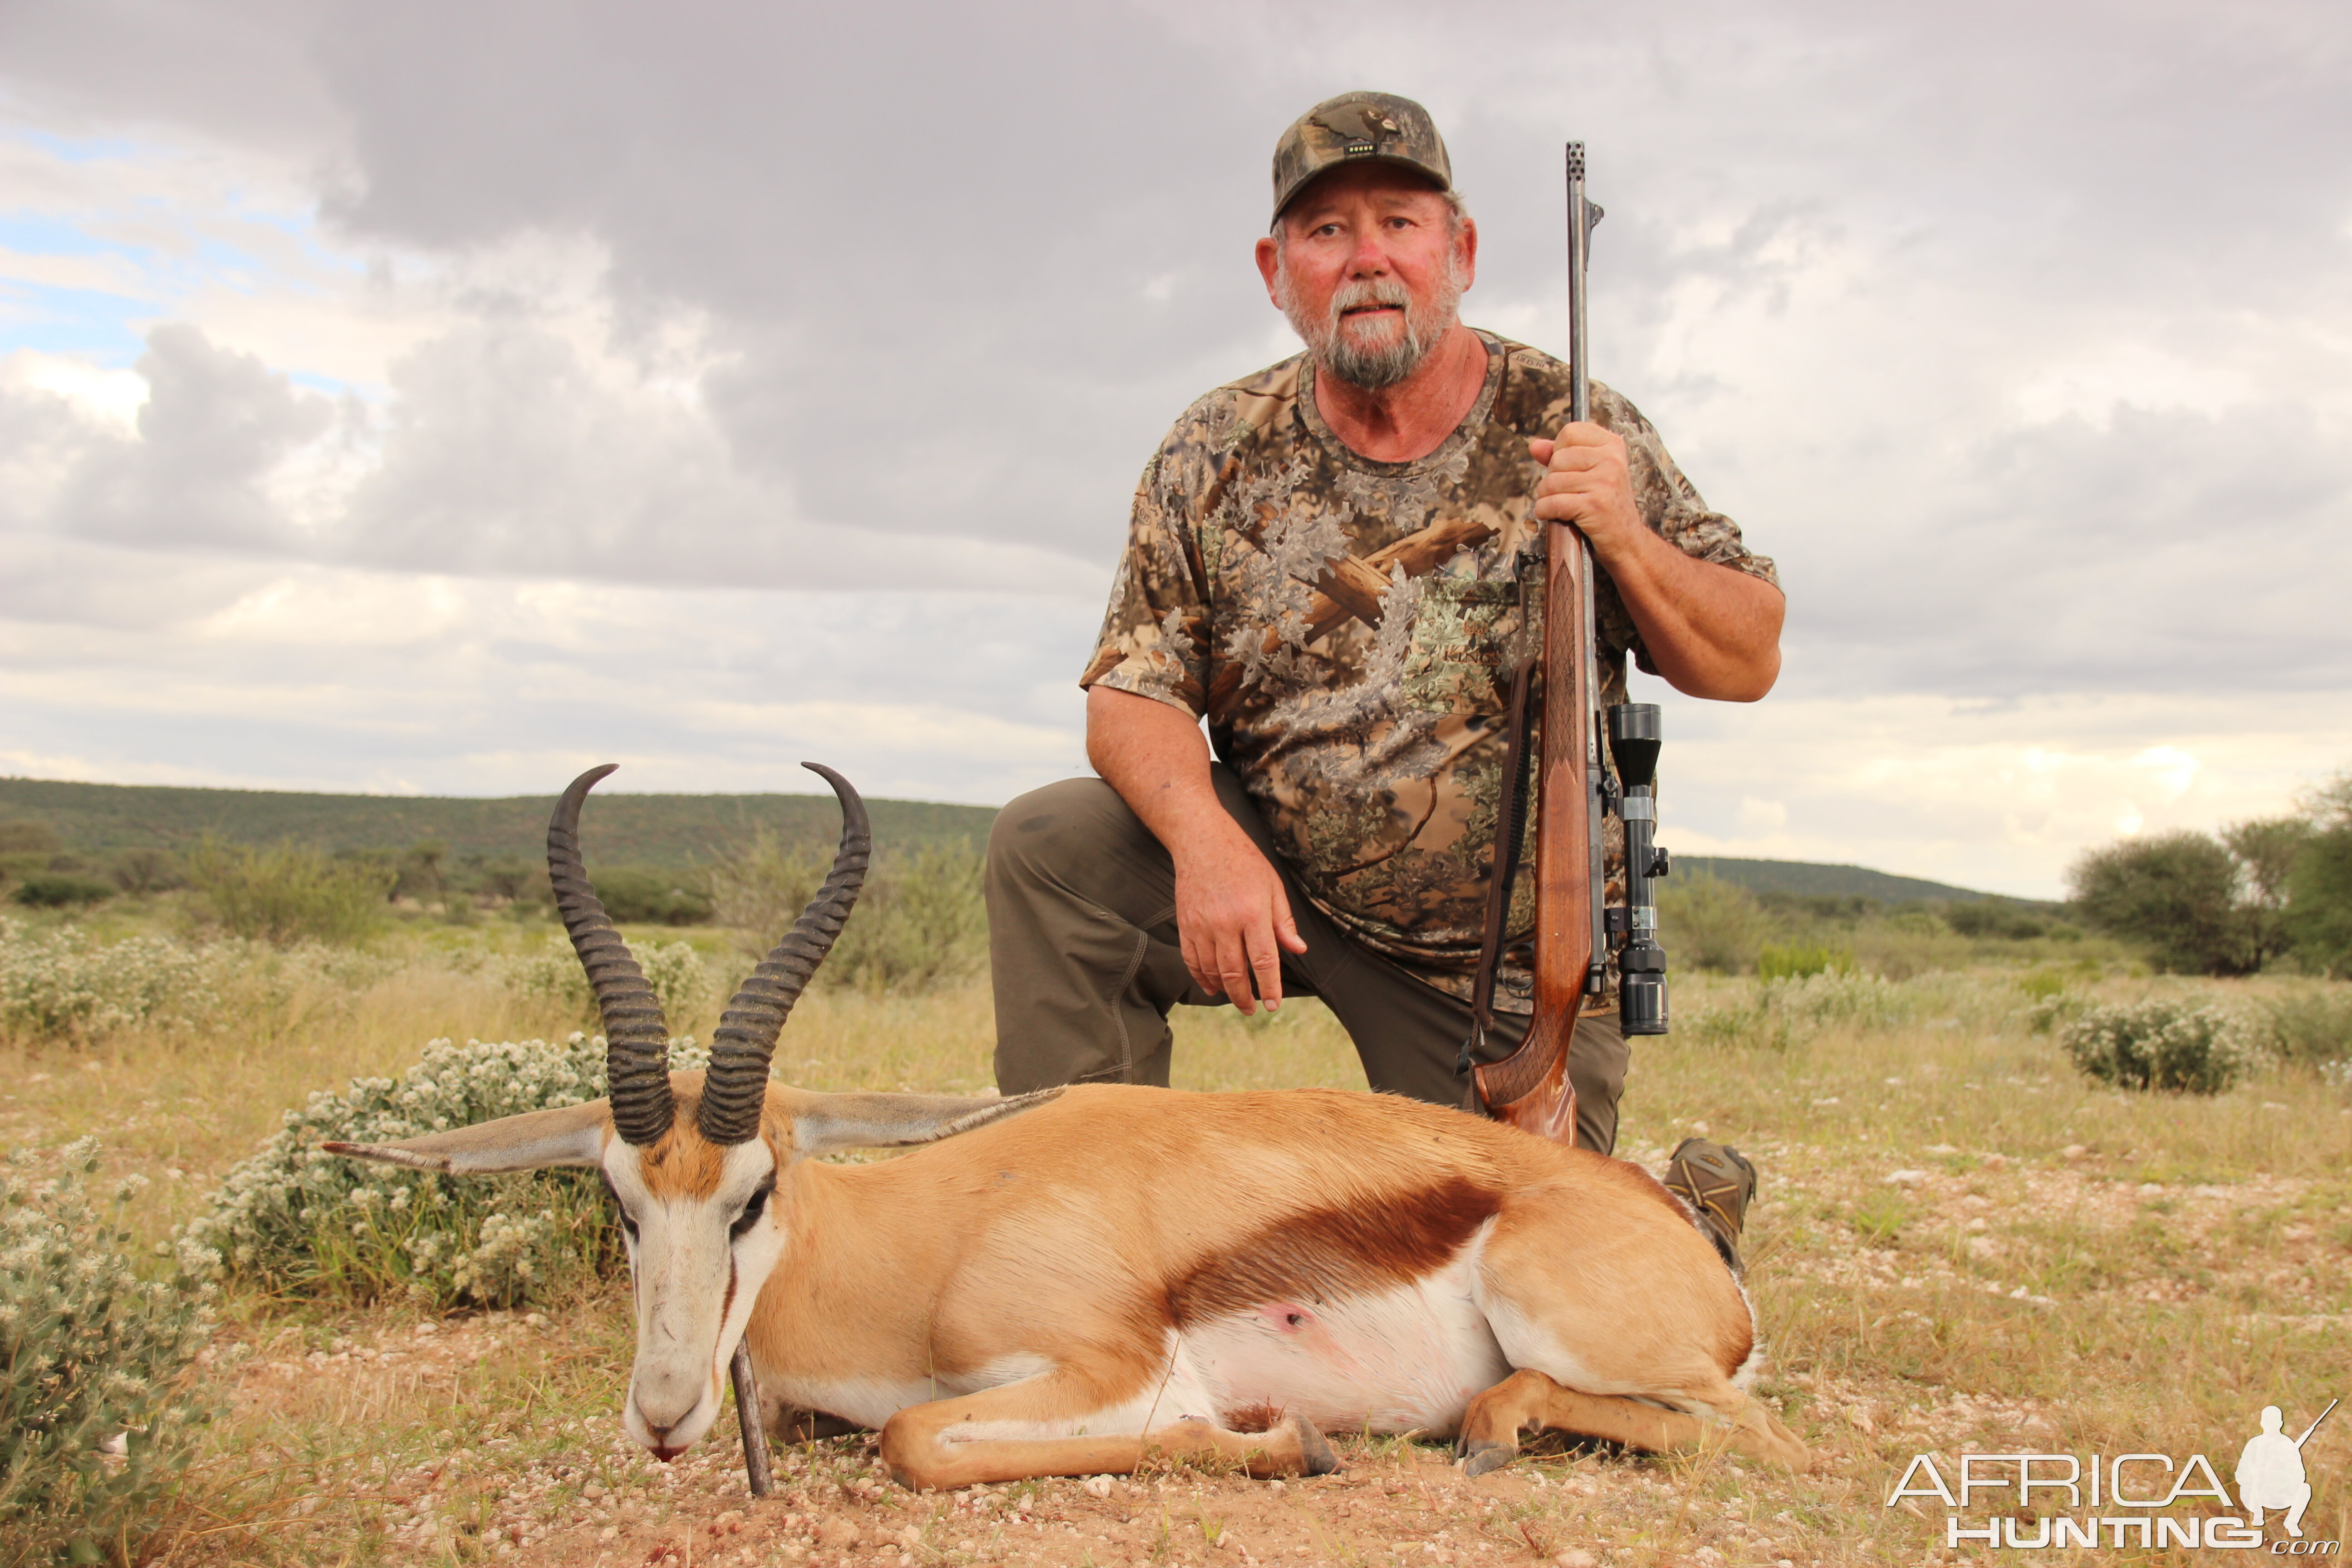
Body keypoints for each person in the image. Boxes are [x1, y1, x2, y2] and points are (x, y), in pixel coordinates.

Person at [986, 91, 1784, 1263]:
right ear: (1276, 270)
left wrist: (1623, 532)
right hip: (1287, 883)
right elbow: (1133, 689)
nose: (1367, 260)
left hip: (1497, 966)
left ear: (1457, 251)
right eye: (1326, 233)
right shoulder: (1214, 445)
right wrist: (1209, 849)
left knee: (1495, 1275)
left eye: (1400, 224)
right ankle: (1086, 1238)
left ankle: (1677, 1229)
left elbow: (1748, 653)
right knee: (1052, 847)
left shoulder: (1573, 421)